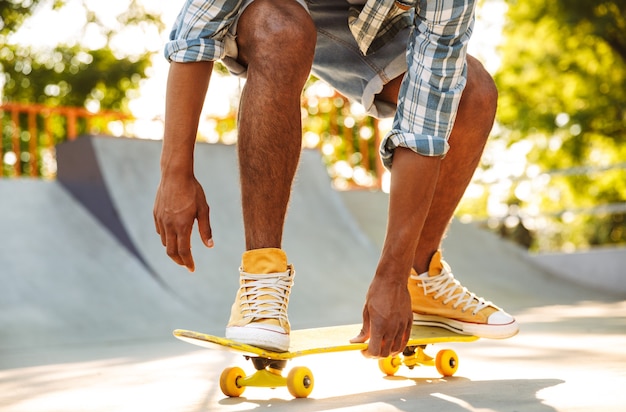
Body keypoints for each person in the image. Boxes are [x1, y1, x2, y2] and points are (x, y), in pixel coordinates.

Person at [153, 0, 519, 359]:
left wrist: (392, 276)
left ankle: (419, 278)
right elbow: (196, 30)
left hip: (365, 21)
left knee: (473, 93)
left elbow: (426, 120)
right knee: (281, 29)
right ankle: (261, 278)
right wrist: (175, 173)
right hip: (274, 10)